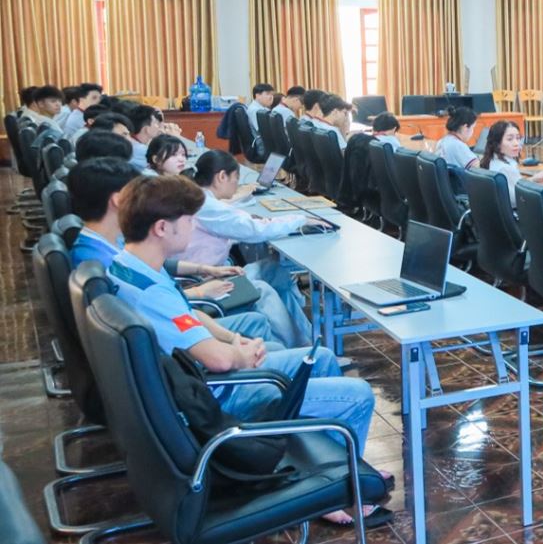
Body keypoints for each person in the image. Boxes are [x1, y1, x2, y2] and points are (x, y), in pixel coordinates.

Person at [105, 174, 386, 524]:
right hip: (215, 397)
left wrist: (231, 339)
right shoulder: (151, 293)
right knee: (358, 395)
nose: (193, 226)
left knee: (323, 358)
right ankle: (342, 492)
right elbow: (219, 362)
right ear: (162, 228)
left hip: (195, 382)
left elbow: (188, 314)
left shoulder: (129, 266)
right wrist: (240, 355)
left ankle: (335, 470)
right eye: (189, 220)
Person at [67, 158, 272, 338]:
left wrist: (202, 270)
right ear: (119, 200)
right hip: (180, 328)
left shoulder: (105, 243)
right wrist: (199, 293)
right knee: (260, 300)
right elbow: (153, 305)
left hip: (181, 311)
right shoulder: (100, 261)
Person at [184, 151, 325, 347]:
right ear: (221, 177)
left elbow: (234, 223)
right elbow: (254, 230)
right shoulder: (207, 206)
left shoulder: (202, 199)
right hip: (206, 281)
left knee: (275, 270)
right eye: (236, 178)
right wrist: (300, 220)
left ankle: (305, 337)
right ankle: (296, 347)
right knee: (263, 290)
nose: (237, 184)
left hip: (212, 272)